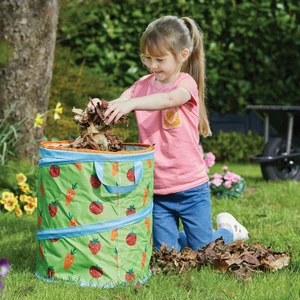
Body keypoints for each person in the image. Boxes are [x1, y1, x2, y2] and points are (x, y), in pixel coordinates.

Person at [93, 15, 249, 251]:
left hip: (191, 188)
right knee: (166, 253)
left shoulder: (186, 85)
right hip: (158, 189)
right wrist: (99, 106)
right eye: (147, 58)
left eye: (159, 59)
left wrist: (132, 104)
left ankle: (229, 230)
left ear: (182, 56)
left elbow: (167, 99)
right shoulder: (141, 85)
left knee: (204, 251)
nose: (152, 65)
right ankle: (188, 238)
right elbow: (121, 101)